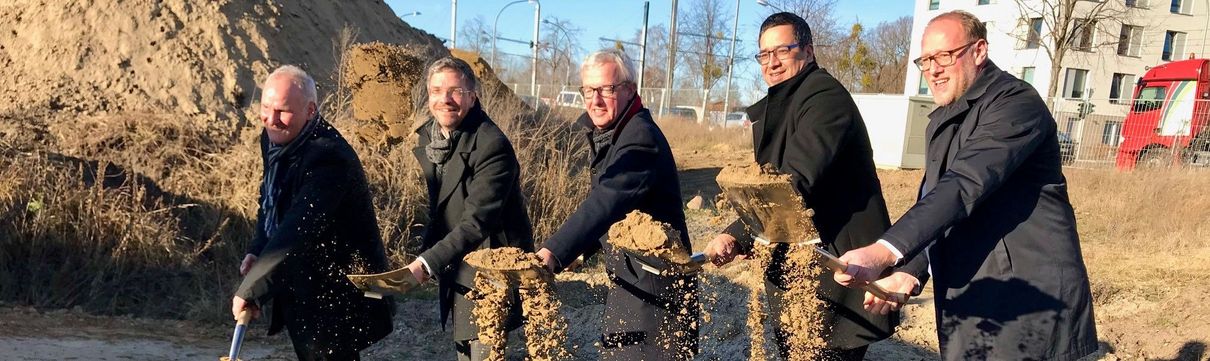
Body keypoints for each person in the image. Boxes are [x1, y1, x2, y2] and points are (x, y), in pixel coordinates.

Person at [834, 10, 1098, 361]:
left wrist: (883, 252)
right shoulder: (945, 118)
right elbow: (936, 202)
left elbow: (963, 186)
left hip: (1026, 301)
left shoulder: (1015, 104)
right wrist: (910, 273)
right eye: (925, 60)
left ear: (979, 51)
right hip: (974, 297)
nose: (933, 70)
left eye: (944, 56)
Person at [702, 12, 928, 360]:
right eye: (764, 54)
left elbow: (794, 182)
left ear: (807, 51)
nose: (771, 62)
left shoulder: (823, 97)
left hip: (838, 273)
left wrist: (739, 232)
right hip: (800, 271)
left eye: (782, 50)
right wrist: (736, 235)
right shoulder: (790, 100)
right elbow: (776, 184)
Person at [535, 49, 698, 360]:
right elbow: (620, 211)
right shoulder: (612, 133)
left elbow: (608, 199)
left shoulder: (639, 138)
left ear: (630, 89)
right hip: (632, 283)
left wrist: (553, 252)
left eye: (606, 89)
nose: (595, 100)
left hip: (655, 293)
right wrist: (583, 251)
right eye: (588, 90)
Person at [233, 65, 393, 361]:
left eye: (282, 110)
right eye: (266, 107)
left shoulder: (329, 157)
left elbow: (298, 229)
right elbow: (272, 199)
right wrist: (258, 249)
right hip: (301, 280)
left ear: (310, 111)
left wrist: (252, 288)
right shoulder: (273, 138)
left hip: (337, 291)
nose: (271, 119)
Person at [404, 56, 533, 361]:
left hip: (489, 267)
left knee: (480, 352)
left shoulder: (491, 144)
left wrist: (426, 262)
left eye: (455, 91)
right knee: (467, 349)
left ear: (472, 96)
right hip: (459, 261)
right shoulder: (435, 138)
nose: (444, 100)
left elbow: (476, 222)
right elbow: (443, 208)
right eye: (436, 91)